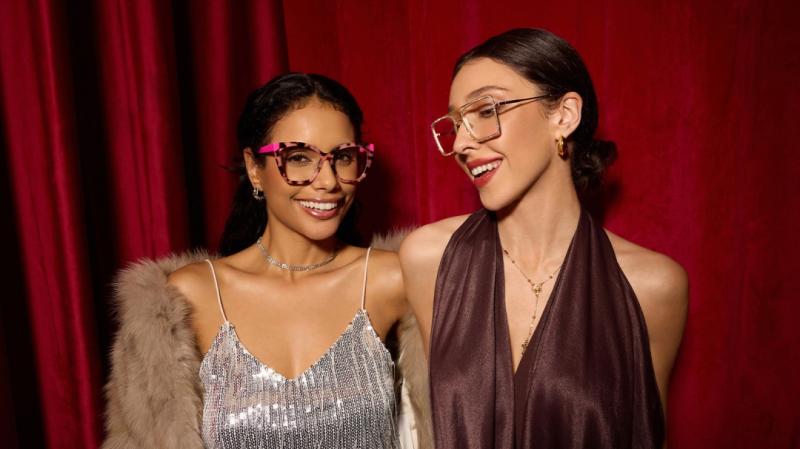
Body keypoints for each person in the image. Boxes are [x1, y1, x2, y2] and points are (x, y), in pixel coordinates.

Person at [103, 73, 428, 448]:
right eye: (299, 158)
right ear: (254, 168)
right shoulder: (187, 298)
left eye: (343, 158)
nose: (328, 181)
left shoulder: (391, 278)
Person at [400, 28, 688, 449]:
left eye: (485, 110)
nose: (461, 143)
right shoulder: (429, 259)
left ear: (564, 115)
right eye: (456, 123)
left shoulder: (652, 285)